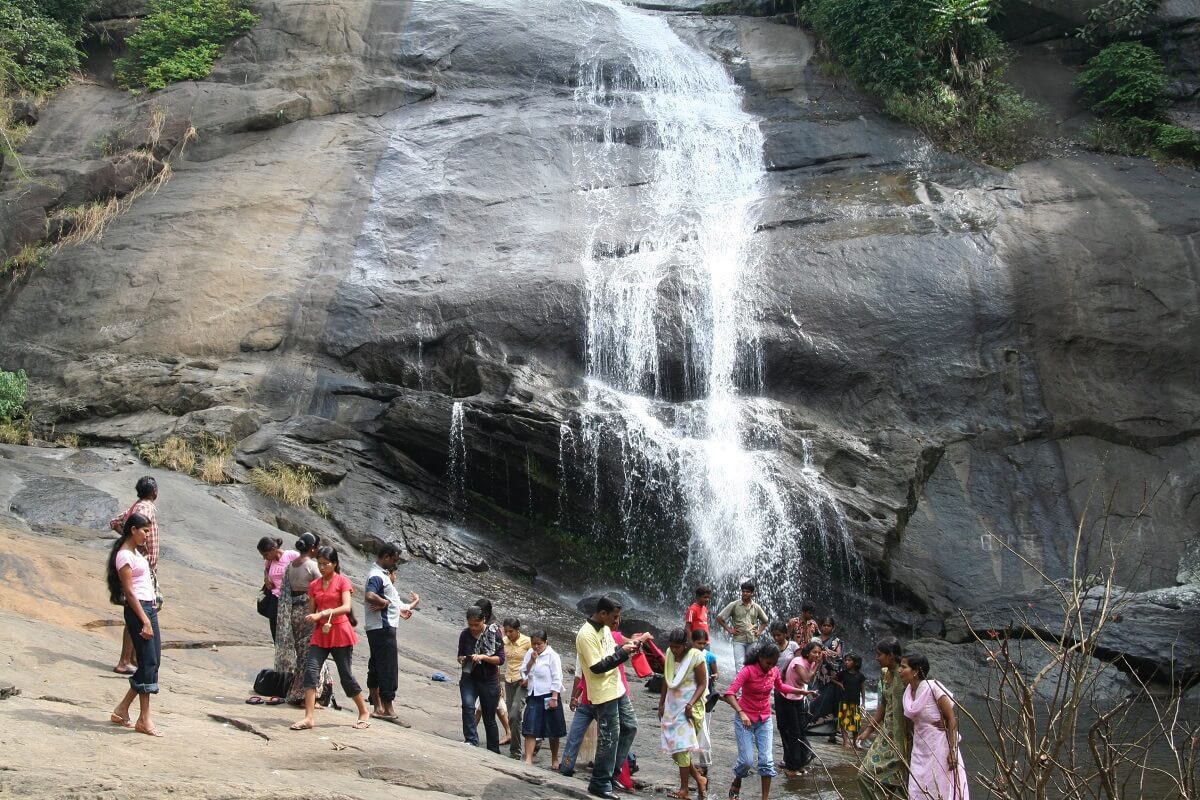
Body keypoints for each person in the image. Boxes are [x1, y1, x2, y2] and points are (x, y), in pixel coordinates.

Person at [290, 546, 371, 731]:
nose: (322, 567)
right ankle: (309, 717)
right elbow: (311, 611)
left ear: (334, 564)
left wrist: (324, 613)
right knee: (310, 672)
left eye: (326, 564)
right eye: (320, 564)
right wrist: (312, 616)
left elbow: (345, 607)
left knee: (346, 676)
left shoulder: (342, 582)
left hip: (340, 632)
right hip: (321, 633)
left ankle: (363, 711)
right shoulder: (314, 586)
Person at [576, 596, 644, 799]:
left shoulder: (605, 628)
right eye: (614, 617)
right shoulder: (585, 634)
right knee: (609, 737)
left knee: (630, 726)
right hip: (603, 692)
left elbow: (609, 653)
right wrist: (623, 653)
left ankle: (611, 773)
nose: (617, 621)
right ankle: (599, 782)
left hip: (617, 687)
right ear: (603, 614)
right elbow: (596, 667)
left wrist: (627, 649)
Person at [723, 642, 804, 800]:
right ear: (760, 657)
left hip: (764, 720)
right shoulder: (748, 671)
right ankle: (737, 779)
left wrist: (800, 691)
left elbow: (780, 687)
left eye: (774, 664)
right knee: (746, 761)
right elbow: (729, 693)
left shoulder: (773, 670)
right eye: (768, 663)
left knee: (767, 761)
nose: (770, 667)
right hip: (745, 720)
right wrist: (741, 713)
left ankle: (765, 798)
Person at [106, 513, 163, 736]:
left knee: (153, 661)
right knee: (148, 662)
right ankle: (144, 719)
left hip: (148, 608)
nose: (147, 535)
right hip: (139, 609)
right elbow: (129, 592)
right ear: (133, 530)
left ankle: (122, 709)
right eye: (145, 531)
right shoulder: (124, 556)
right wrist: (145, 620)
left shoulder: (136, 553)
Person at [900, 652, 969, 800]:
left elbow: (952, 719)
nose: (900, 670)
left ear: (916, 671)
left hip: (940, 748)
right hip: (920, 748)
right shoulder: (907, 692)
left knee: (940, 788)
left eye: (903, 667)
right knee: (918, 788)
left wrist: (952, 751)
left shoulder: (934, 687)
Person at [109, 476, 160, 675]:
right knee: (139, 612)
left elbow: (115, 522)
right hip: (142, 569)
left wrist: (133, 545)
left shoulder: (136, 507)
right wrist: (136, 547)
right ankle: (127, 659)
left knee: (138, 612)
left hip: (141, 565)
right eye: (144, 531)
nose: (146, 534)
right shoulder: (145, 509)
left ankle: (132, 658)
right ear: (155, 492)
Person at [275, 533, 333, 705]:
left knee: (302, 656)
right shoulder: (312, 567)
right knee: (313, 655)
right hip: (310, 613)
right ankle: (305, 695)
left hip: (294, 613)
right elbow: (324, 590)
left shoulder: (291, 566)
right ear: (313, 548)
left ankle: (303, 692)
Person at [364, 542, 419, 720]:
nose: (395, 563)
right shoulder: (377, 576)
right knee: (387, 668)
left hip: (378, 627)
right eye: (394, 559)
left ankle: (378, 707)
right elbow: (370, 595)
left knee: (376, 665)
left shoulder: (380, 575)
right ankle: (387, 708)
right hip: (383, 628)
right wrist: (384, 603)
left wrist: (396, 608)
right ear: (386, 557)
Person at [857, 639, 911, 800]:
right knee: (864, 775)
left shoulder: (906, 676)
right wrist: (868, 729)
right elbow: (884, 704)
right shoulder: (885, 674)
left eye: (879, 654)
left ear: (891, 655)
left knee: (904, 784)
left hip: (906, 738)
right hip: (887, 735)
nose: (876, 658)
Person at [659, 628, 709, 800]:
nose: (674, 650)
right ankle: (700, 779)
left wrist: (690, 703)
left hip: (690, 709)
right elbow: (667, 678)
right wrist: (661, 703)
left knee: (682, 749)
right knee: (675, 749)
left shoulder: (696, 656)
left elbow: (703, 684)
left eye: (677, 647)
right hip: (672, 706)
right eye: (671, 646)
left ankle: (684, 790)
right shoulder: (670, 654)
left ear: (685, 644)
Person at [458, 605, 505, 752]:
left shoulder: (493, 633)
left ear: (483, 620)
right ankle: (471, 739)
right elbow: (459, 655)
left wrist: (483, 657)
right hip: (470, 677)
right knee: (468, 705)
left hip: (489, 679)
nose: (473, 628)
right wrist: (463, 659)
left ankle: (493, 749)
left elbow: (500, 659)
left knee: (489, 716)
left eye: (476, 625)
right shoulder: (465, 635)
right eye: (470, 625)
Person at [520, 629, 566, 768]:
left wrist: (554, 697)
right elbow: (524, 671)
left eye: (539, 644)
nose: (536, 647)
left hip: (549, 694)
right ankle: (528, 759)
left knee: (553, 729)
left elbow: (557, 677)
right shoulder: (530, 653)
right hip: (534, 693)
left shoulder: (552, 656)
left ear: (546, 642)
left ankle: (554, 759)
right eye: (533, 644)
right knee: (530, 726)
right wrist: (532, 661)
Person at [474, 598, 514, 746]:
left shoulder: (493, 628)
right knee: (494, 706)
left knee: (482, 707)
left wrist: (497, 681)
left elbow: (497, 656)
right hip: (486, 671)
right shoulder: (489, 625)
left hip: (490, 673)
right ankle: (508, 732)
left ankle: (471, 736)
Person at [778, 641, 821, 777]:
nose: (817, 655)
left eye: (819, 653)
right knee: (794, 732)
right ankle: (792, 766)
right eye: (814, 652)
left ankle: (800, 762)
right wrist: (818, 665)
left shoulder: (811, 662)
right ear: (807, 652)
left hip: (798, 698)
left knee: (801, 730)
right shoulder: (798, 662)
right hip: (785, 698)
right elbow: (807, 679)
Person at [716, 582, 769, 667]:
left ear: (752, 593)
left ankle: (749, 680)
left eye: (747, 592)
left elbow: (765, 621)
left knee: (750, 664)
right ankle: (740, 680)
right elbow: (719, 618)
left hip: (752, 640)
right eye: (743, 591)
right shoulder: (734, 605)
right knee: (739, 664)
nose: (745, 593)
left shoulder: (756, 607)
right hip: (739, 640)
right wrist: (729, 629)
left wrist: (759, 631)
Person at [257, 536, 299, 643]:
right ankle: (280, 654)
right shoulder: (269, 562)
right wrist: (266, 579)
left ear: (273, 549)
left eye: (266, 555)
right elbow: (266, 571)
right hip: (275, 599)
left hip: (291, 598)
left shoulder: (291, 556)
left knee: (291, 630)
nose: (264, 558)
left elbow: (305, 567)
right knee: (276, 632)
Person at [502, 618, 533, 759]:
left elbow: (539, 657)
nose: (508, 634)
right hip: (509, 680)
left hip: (523, 681)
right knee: (512, 717)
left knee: (515, 713)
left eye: (511, 631)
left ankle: (515, 751)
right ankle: (534, 740)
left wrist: (529, 677)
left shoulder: (528, 642)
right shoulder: (504, 641)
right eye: (506, 631)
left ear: (518, 630)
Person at [690, 628, 717, 772]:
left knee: (703, 730)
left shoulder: (706, 657)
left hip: (704, 697)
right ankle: (693, 763)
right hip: (692, 696)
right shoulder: (689, 655)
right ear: (692, 642)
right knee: (697, 730)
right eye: (698, 643)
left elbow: (712, 674)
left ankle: (705, 764)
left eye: (703, 643)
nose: (701, 646)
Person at [813, 616, 844, 735]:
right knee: (816, 698)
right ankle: (814, 726)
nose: (826, 627)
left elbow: (839, 656)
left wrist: (827, 653)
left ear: (833, 627)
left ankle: (830, 730)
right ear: (820, 626)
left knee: (831, 701)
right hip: (817, 673)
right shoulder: (815, 639)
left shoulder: (836, 641)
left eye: (829, 625)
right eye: (824, 625)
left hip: (831, 676)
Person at [836, 653, 867, 749]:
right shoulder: (843, 674)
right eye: (846, 660)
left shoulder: (860, 676)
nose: (846, 662)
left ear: (856, 663)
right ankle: (845, 741)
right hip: (844, 701)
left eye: (849, 660)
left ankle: (855, 741)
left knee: (856, 723)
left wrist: (863, 702)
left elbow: (862, 689)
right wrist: (840, 684)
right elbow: (832, 679)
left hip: (855, 702)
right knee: (843, 722)